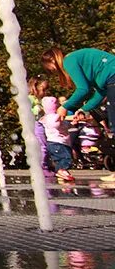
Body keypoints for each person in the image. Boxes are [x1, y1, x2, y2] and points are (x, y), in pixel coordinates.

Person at [42, 47, 115, 182]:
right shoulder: (88, 67)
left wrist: (65, 107)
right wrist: (83, 109)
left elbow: (83, 90)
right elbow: (100, 92)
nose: (53, 72)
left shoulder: (68, 61)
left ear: (52, 60)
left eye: (51, 69)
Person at [40, 96, 74, 183]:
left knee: (62, 158)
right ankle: (61, 171)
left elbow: (65, 125)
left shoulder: (54, 117)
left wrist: (72, 123)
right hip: (56, 143)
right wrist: (59, 117)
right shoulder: (51, 117)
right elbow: (55, 125)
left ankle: (62, 172)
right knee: (66, 158)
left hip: (61, 143)